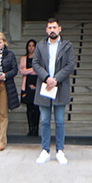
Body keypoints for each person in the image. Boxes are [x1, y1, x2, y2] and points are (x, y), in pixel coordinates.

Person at [32, 18, 75, 165]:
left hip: (60, 86)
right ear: (46, 29)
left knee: (60, 121)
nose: (52, 30)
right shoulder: (40, 45)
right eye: (50, 27)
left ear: (60, 29)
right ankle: (45, 150)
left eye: (54, 27)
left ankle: (60, 150)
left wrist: (55, 79)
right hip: (44, 87)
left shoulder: (67, 46)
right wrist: (46, 78)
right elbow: (35, 63)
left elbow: (70, 66)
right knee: (44, 120)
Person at [19, 39, 39, 137]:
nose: (31, 48)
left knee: (37, 108)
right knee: (29, 108)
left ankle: (36, 128)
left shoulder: (39, 58)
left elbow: (39, 71)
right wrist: (32, 69)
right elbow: (22, 71)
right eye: (29, 45)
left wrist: (28, 70)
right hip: (26, 84)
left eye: (33, 46)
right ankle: (30, 128)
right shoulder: (24, 58)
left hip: (37, 83)